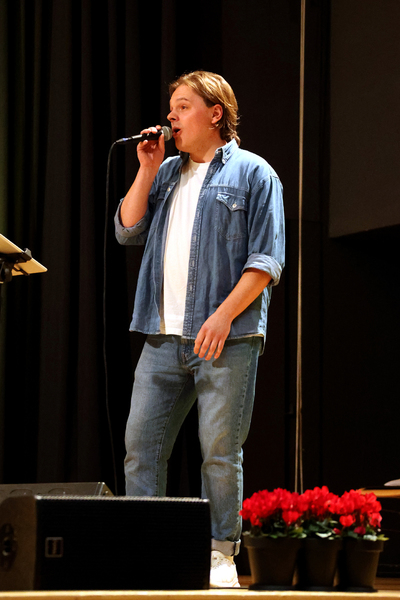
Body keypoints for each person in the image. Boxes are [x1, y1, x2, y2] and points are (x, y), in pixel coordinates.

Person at [115, 71, 285, 588]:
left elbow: (266, 260)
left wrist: (223, 314)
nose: (171, 115)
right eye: (172, 106)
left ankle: (220, 553)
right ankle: (147, 551)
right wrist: (146, 170)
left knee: (219, 452)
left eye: (184, 106)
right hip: (162, 335)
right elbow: (127, 228)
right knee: (141, 448)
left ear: (216, 113)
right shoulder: (166, 171)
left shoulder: (255, 173)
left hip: (226, 338)